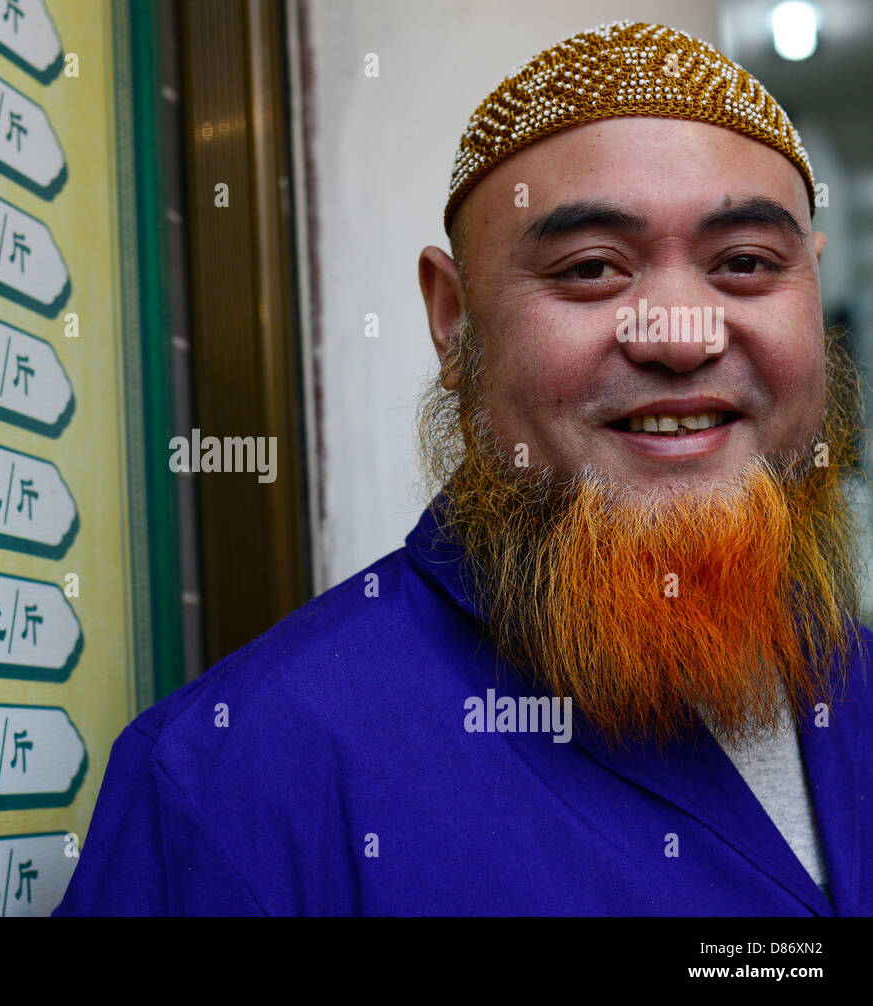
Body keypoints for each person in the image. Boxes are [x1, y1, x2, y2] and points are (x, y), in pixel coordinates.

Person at [54, 20, 873, 915]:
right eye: (593, 268)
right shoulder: (240, 775)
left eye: (747, 264)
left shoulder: (852, 680)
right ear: (453, 318)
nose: (681, 335)